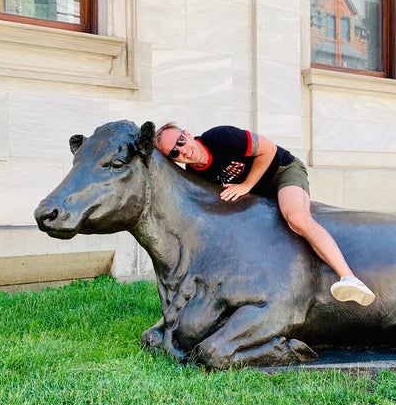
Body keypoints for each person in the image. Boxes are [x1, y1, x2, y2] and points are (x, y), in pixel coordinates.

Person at [155, 122, 375, 306]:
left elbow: (267, 149)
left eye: (180, 142)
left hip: (280, 171)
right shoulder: (195, 174)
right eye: (174, 153)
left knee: (296, 218)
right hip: (255, 191)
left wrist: (246, 185)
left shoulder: (220, 138)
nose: (182, 151)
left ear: (187, 134)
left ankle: (349, 277)